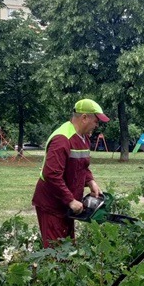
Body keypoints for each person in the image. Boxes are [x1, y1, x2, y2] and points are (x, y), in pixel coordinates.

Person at [32, 98, 109, 247]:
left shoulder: (84, 139)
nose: (97, 125)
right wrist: (70, 200)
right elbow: (51, 175)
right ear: (84, 117)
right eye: (96, 121)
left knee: (67, 247)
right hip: (52, 203)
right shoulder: (62, 139)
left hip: (67, 205)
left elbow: (81, 166)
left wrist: (91, 181)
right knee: (55, 251)